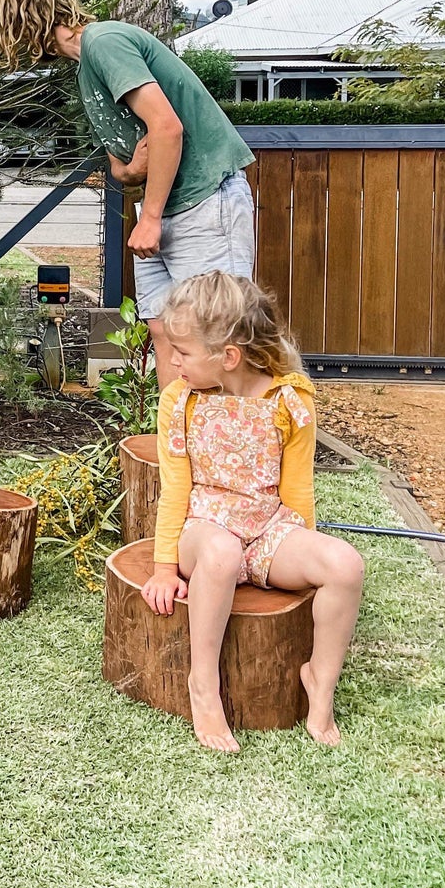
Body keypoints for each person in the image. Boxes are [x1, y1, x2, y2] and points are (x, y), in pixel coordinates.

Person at [142, 272, 365, 752]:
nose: (173, 361)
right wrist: (164, 567)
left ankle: (320, 681)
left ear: (227, 357)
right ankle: (203, 684)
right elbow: (175, 488)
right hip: (204, 530)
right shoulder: (179, 402)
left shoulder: (290, 399)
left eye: (182, 352)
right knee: (220, 552)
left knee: (346, 564)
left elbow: (297, 489)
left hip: (268, 530)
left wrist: (301, 548)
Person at [0, 0, 256, 352]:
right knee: (165, 331)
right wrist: (132, 171)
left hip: (202, 201)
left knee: (219, 337)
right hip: (164, 207)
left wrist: (148, 219)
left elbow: (167, 129)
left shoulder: (105, 41)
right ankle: (169, 416)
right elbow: (120, 164)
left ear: (25, 20)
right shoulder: (87, 68)